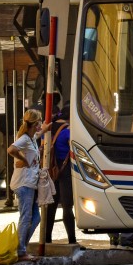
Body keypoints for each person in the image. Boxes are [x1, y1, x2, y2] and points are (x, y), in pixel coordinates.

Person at [6, 109, 51, 262]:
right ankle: (20, 251)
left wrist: (45, 128)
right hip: (23, 184)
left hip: (29, 184)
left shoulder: (31, 138)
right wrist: (23, 160)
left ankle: (21, 247)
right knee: (26, 217)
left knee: (36, 218)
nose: (41, 124)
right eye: (39, 122)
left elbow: (39, 133)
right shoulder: (25, 138)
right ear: (34, 123)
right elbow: (11, 149)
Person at [45, 104, 83, 248]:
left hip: (51, 170)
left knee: (51, 206)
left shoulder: (49, 128)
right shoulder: (68, 131)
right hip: (65, 170)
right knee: (67, 207)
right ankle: (72, 240)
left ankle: (47, 238)